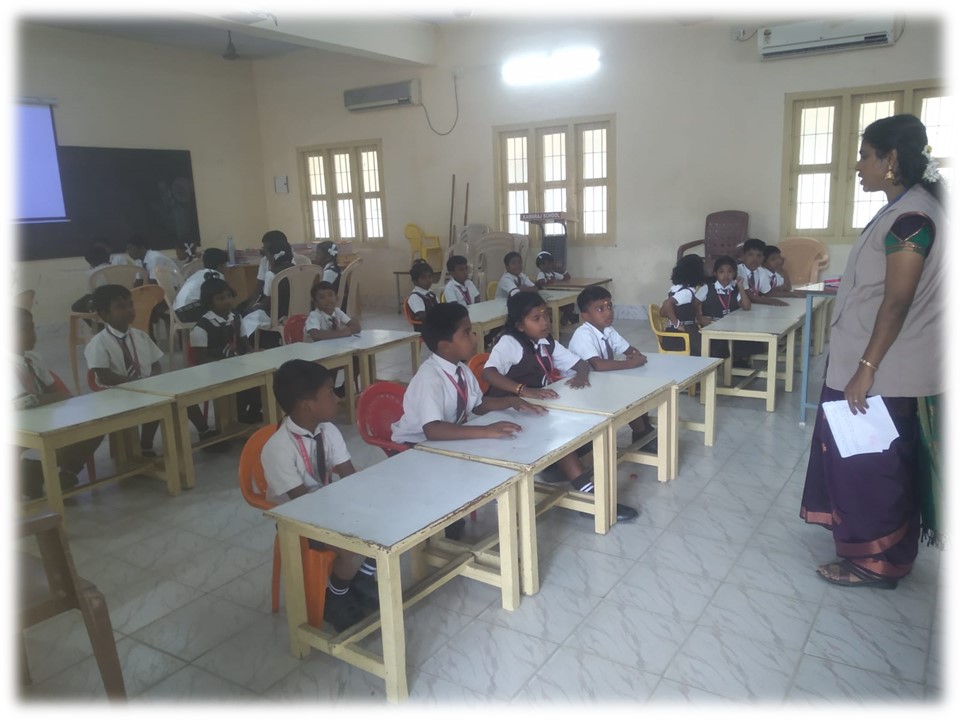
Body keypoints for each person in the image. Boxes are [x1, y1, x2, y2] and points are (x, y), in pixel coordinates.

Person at [801, 114, 946, 588]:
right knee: (869, 462)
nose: (858, 165)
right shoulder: (905, 210)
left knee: (871, 467)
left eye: (865, 156)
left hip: (884, 370)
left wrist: (866, 368)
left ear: (891, 160)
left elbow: (897, 300)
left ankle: (875, 563)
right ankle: (879, 550)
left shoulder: (911, 219)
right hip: (877, 363)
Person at [391, 303, 546, 538]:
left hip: (444, 438)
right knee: (488, 444)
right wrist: (487, 431)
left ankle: (489, 501)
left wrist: (510, 401)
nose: (474, 337)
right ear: (445, 345)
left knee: (503, 446)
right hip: (414, 446)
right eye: (466, 333)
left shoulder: (461, 370)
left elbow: (478, 405)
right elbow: (433, 430)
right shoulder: (430, 378)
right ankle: (449, 514)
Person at [483, 293, 639, 522]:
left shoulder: (546, 342)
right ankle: (590, 496)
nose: (545, 322)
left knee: (582, 422)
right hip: (506, 411)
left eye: (546, 315)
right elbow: (489, 373)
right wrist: (522, 390)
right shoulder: (510, 343)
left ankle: (557, 467)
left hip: (534, 407)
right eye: (536, 318)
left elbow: (580, 363)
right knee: (561, 435)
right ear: (520, 325)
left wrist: (581, 375)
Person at [261, 360, 378, 630]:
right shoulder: (278, 448)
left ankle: (360, 580)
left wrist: (369, 500)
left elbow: (349, 476)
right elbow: (304, 504)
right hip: (298, 518)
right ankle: (336, 597)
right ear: (307, 405)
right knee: (351, 548)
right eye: (330, 393)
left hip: (329, 505)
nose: (337, 399)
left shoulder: (328, 431)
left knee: (388, 521)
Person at [85, 284, 214, 455]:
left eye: (130, 305)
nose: (130, 310)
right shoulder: (98, 343)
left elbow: (155, 363)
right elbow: (104, 376)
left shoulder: (141, 336)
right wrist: (136, 383)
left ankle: (204, 431)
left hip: (145, 387)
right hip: (116, 393)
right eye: (121, 307)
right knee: (155, 398)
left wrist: (152, 380)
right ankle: (145, 446)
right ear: (104, 314)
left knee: (177, 393)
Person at [15, 307, 103, 499]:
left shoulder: (33, 358)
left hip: (43, 415)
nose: (32, 334)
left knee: (97, 422)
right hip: (17, 424)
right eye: (24, 329)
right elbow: (24, 402)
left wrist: (58, 398)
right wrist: (57, 398)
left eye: (32, 327)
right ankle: (37, 473)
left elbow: (52, 389)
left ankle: (64, 473)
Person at [568, 286, 656, 449]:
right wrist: (630, 362)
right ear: (585, 316)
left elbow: (630, 350)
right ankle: (642, 433)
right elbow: (598, 365)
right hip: (580, 388)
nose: (608, 312)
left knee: (637, 389)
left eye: (609, 306)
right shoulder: (583, 334)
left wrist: (635, 356)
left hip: (599, 382)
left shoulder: (608, 330)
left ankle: (643, 428)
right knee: (625, 395)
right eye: (599, 309)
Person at [189, 276, 262, 423]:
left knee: (260, 382)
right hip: (216, 370)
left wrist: (254, 353)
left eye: (229, 296)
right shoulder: (201, 328)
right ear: (209, 302)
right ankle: (237, 416)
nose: (227, 300)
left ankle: (253, 412)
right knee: (239, 387)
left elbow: (246, 345)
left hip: (238, 365)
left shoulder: (236, 318)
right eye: (221, 298)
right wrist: (228, 364)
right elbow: (201, 361)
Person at [305, 280, 361, 397]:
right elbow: (316, 335)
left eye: (330, 295)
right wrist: (342, 332)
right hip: (317, 356)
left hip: (333, 351)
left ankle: (343, 388)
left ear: (337, 298)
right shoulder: (314, 315)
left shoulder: (337, 311)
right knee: (332, 364)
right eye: (322, 297)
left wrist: (349, 328)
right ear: (315, 303)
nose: (327, 299)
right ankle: (329, 392)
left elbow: (356, 327)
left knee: (358, 359)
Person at [240, 231, 295, 347]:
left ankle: (245, 347)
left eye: (265, 251)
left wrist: (256, 307)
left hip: (275, 313)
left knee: (248, 320)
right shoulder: (296, 268)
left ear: (271, 254)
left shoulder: (272, 274)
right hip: (292, 309)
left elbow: (269, 299)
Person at [696, 255, 753, 360]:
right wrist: (700, 318)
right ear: (715, 273)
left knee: (747, 342)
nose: (726, 275)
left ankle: (738, 362)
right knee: (719, 345)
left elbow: (746, 306)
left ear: (735, 274)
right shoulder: (707, 288)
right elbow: (693, 305)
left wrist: (741, 287)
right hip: (713, 326)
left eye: (730, 271)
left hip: (731, 327)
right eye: (721, 272)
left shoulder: (735, 289)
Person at [659, 254, 706, 355]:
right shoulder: (686, 293)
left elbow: (662, 312)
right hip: (682, 336)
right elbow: (667, 304)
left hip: (670, 334)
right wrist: (677, 324)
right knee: (706, 348)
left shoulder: (674, 289)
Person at [173, 247, 228, 322]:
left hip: (178, 312)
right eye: (226, 265)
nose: (226, 268)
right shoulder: (216, 275)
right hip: (188, 312)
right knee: (223, 305)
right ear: (220, 266)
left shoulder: (199, 273)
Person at [737, 238, 787, 306]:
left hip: (753, 307)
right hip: (738, 308)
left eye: (759, 255)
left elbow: (768, 293)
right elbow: (750, 296)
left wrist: (793, 294)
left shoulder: (761, 271)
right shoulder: (739, 270)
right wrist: (774, 301)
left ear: (763, 258)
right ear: (743, 256)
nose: (755, 259)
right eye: (750, 254)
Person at [405, 259, 438, 328]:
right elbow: (423, 316)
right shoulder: (415, 297)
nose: (428, 280)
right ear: (415, 281)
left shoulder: (431, 294)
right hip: (426, 328)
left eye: (430, 277)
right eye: (423, 278)